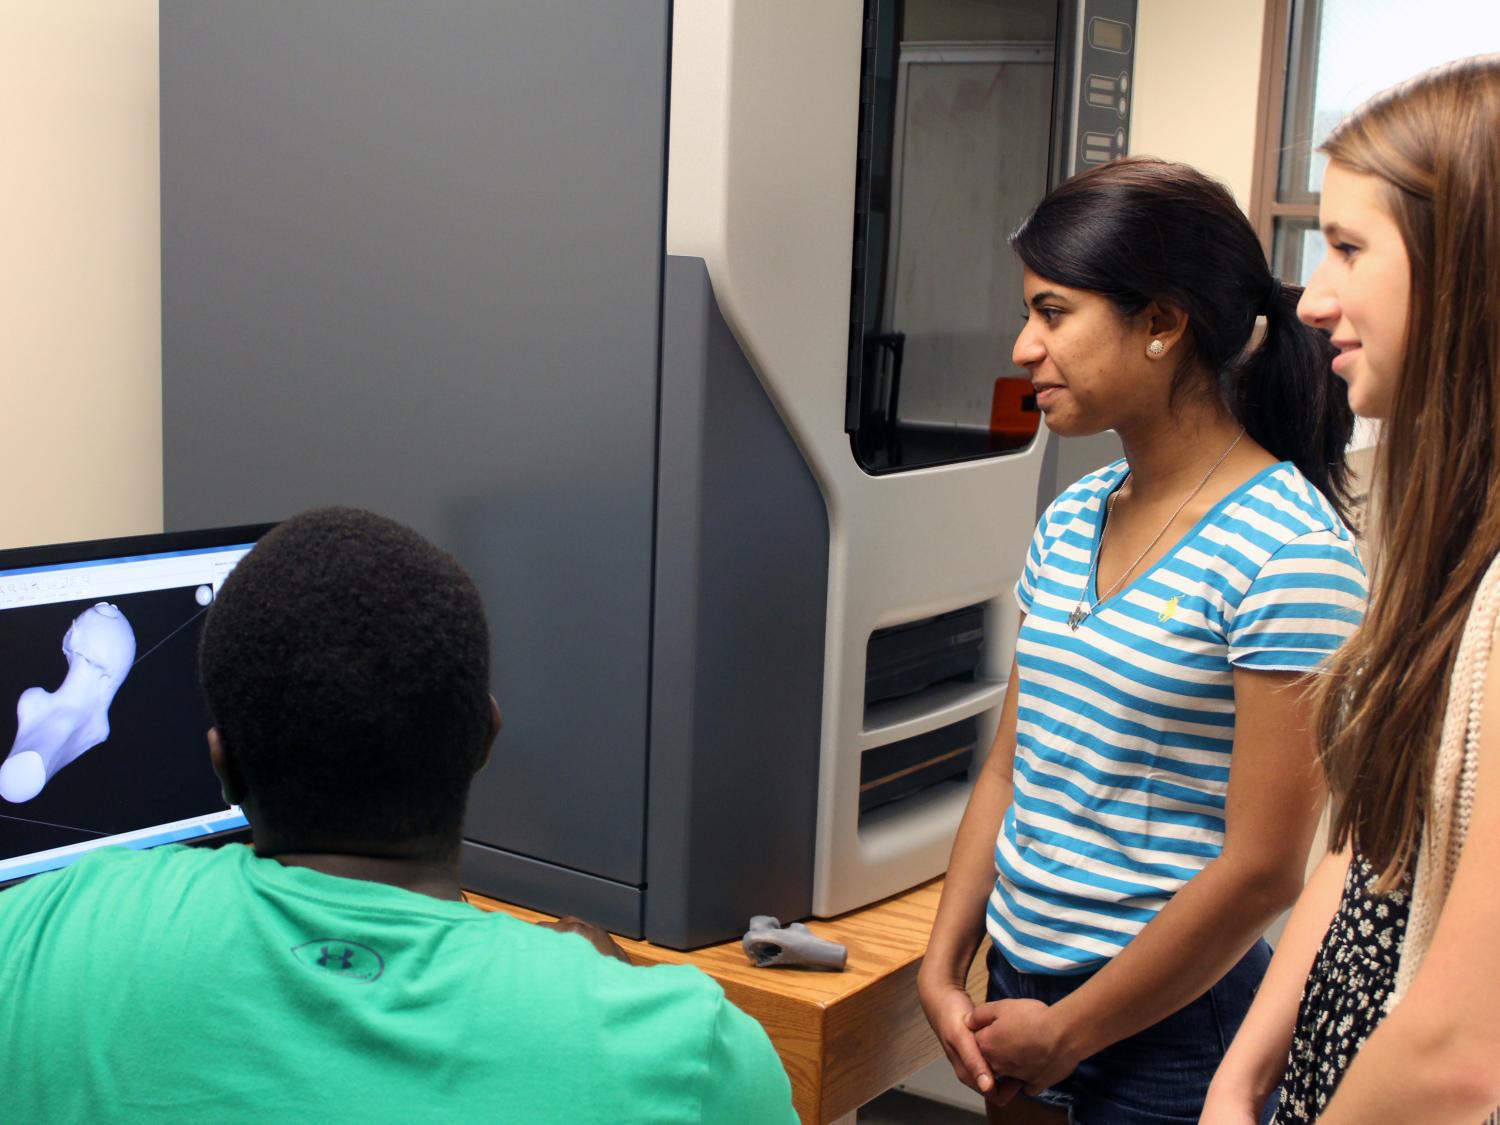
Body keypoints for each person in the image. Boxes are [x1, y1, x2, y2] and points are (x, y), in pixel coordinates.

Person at [0, 507, 797, 1124]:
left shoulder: (33, 933)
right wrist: (594, 994)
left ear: (223, 765)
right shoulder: (692, 1054)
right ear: (484, 738)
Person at [917, 156, 1369, 1123]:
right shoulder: (1075, 513)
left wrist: (1070, 1032)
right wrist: (943, 963)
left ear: (1161, 324)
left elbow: (1264, 868)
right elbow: (1011, 764)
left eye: (1053, 312)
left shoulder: (1289, 552)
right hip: (1018, 991)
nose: (1024, 347)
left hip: (1165, 1029)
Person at [1203, 55, 1500, 1125]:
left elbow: (1462, 1054)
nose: (1315, 299)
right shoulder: (1445, 545)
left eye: (1349, 248)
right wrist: (1241, 1078)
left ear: (1466, 262)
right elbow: (1370, 837)